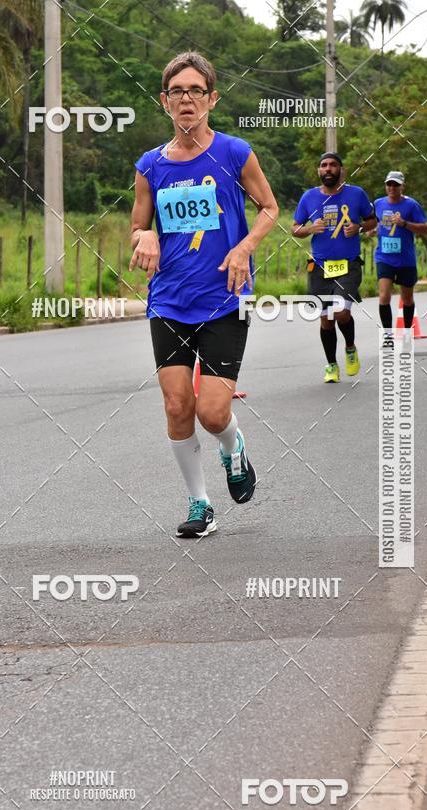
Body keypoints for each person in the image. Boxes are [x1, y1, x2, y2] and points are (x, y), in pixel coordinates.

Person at [129, 51, 279, 537]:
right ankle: (199, 504)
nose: (187, 99)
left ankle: (233, 448)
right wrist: (144, 236)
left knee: (213, 413)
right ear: (164, 102)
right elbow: (137, 223)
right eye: (177, 92)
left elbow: (270, 208)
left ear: (212, 99)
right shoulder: (151, 165)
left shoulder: (234, 153)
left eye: (196, 91)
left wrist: (245, 247)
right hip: (168, 301)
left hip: (222, 299)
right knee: (177, 407)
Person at [292, 153, 376, 383]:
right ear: (319, 171)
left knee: (340, 312)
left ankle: (350, 347)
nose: (327, 169)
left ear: (341, 170)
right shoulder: (309, 197)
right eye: (323, 165)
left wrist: (358, 227)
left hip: (348, 265)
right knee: (326, 319)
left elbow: (372, 220)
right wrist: (309, 229)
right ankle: (331, 365)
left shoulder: (356, 194)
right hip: (319, 268)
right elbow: (295, 228)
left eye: (332, 165)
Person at [373, 171, 427, 340]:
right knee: (384, 296)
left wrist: (404, 224)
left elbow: (425, 229)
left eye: (395, 184)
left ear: (402, 186)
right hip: (384, 257)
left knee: (407, 298)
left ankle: (406, 332)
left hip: (405, 259)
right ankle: (388, 335)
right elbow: (374, 224)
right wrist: (371, 230)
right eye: (389, 184)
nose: (391, 187)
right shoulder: (378, 203)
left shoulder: (411, 205)